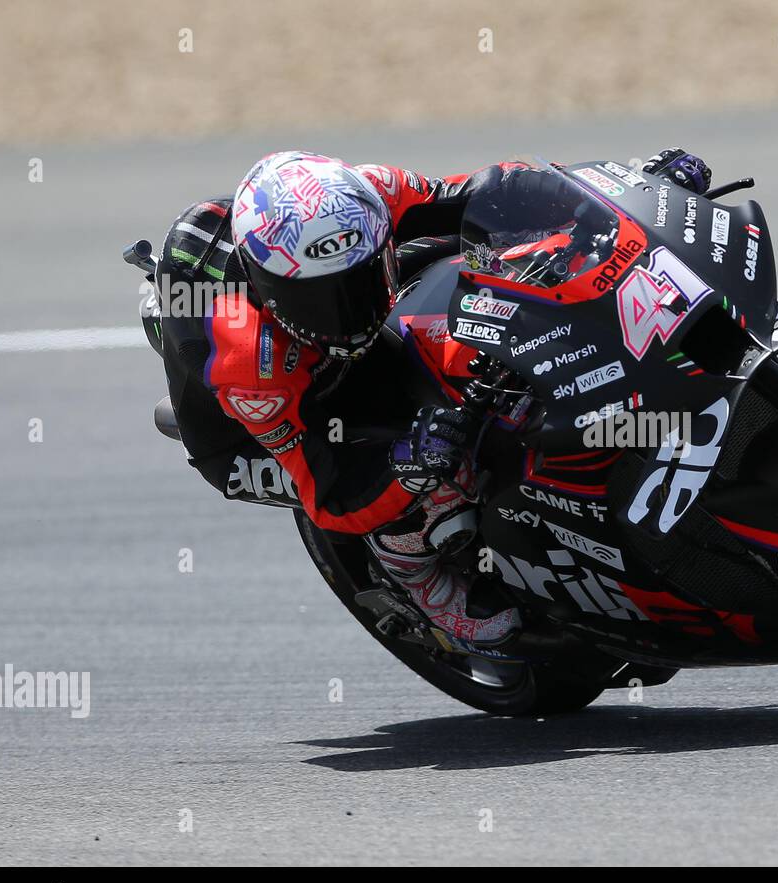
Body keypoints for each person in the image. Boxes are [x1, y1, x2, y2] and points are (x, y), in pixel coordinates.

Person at [154, 148, 712, 647]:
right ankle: (410, 567)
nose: (349, 310)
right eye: (322, 298)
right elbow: (329, 492)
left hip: (324, 314)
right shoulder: (249, 360)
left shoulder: (367, 197)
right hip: (251, 441)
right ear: (267, 287)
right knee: (435, 467)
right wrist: (405, 462)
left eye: (358, 280)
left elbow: (497, 189)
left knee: (497, 255)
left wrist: (630, 194)